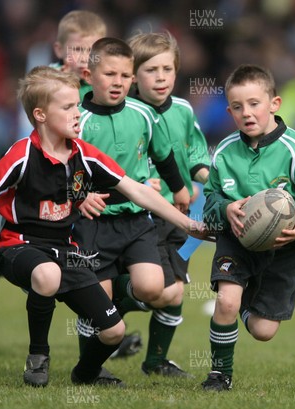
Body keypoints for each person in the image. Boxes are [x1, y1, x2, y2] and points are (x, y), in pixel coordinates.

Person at [0, 66, 205, 387]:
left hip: (67, 253)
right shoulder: (22, 154)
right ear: (40, 115)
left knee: (114, 331)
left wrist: (187, 223)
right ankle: (38, 355)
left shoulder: (84, 154)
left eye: (77, 105)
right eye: (68, 107)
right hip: (19, 245)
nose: (77, 112)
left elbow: (136, 190)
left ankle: (84, 375)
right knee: (47, 275)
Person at [200, 64, 295, 391]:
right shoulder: (225, 152)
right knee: (225, 302)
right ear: (229, 111)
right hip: (236, 242)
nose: (247, 113)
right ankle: (220, 374)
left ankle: (243, 304)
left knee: (263, 330)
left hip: (282, 251)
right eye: (238, 107)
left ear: (274, 103)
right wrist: (225, 208)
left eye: (255, 103)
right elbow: (211, 199)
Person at [0, 10, 107, 307]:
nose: (84, 58)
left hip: (81, 177)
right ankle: (0, 255)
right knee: (55, 265)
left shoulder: (105, 86)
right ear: (59, 49)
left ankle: (104, 325)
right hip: (44, 166)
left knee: (87, 260)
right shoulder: (47, 83)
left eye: (92, 51)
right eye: (78, 49)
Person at [71, 37, 191, 361]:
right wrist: (79, 197)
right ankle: (93, 368)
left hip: (136, 220)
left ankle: (111, 296)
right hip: (92, 224)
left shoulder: (142, 114)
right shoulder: (77, 119)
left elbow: (163, 155)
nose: (118, 82)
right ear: (88, 75)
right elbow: (64, 167)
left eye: (125, 76)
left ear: (133, 79)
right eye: (110, 74)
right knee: (97, 305)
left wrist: (179, 188)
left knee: (154, 288)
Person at [125, 31, 210, 377]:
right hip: (141, 214)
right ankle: (107, 305)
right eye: (151, 70)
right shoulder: (127, 112)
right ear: (133, 76)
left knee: (175, 293)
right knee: (163, 289)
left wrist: (214, 179)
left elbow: (196, 157)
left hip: (178, 215)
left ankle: (156, 362)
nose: (161, 78)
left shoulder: (185, 110)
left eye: (167, 69)